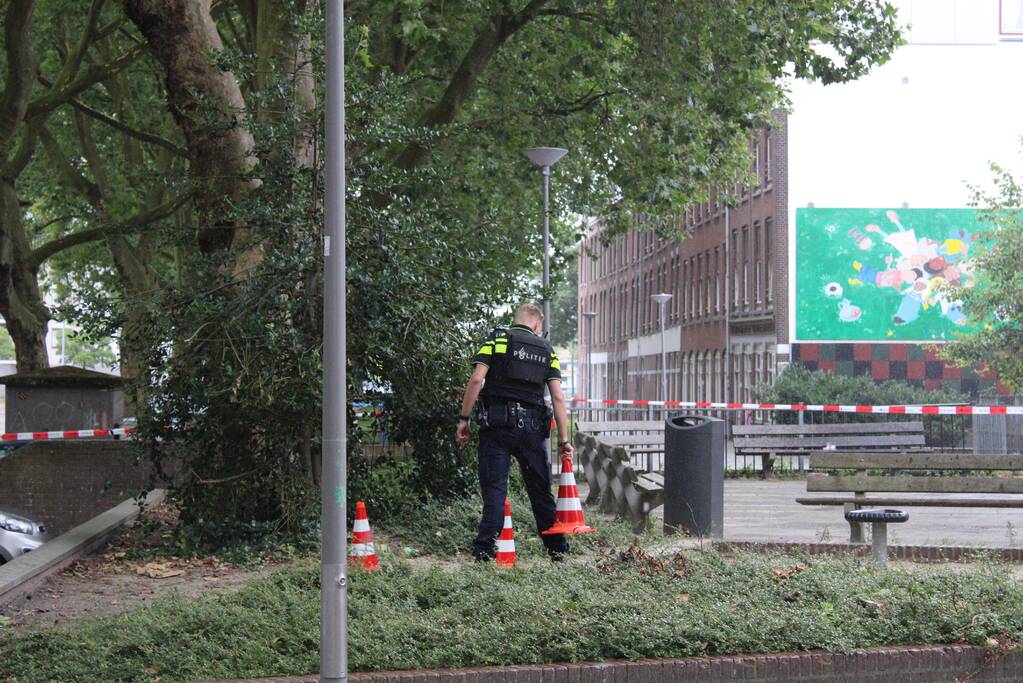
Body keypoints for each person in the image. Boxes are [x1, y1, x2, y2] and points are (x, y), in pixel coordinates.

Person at [455, 303, 574, 561]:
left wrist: (463, 419)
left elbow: (477, 379)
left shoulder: (497, 339)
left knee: (495, 490)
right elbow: (557, 397)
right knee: (540, 490)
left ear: (515, 320)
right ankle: (557, 551)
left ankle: (485, 550)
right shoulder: (546, 350)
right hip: (533, 430)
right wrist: (564, 440)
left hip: (496, 427)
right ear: (537, 325)